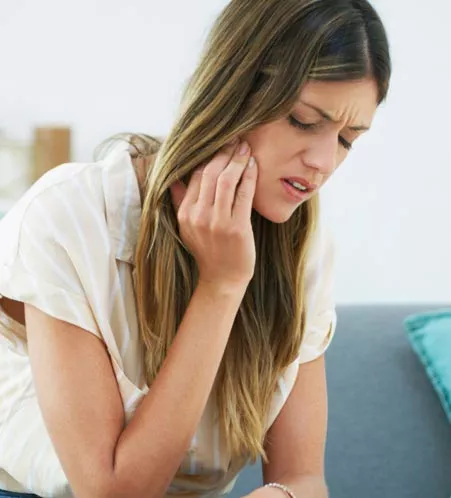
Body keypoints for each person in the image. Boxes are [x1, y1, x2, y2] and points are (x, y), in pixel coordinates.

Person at [0, 0, 391, 496]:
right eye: (303, 120)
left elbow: (303, 476)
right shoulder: (70, 215)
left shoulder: (303, 245)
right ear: (233, 93)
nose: (323, 162)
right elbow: (113, 490)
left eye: (348, 140)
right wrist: (221, 286)